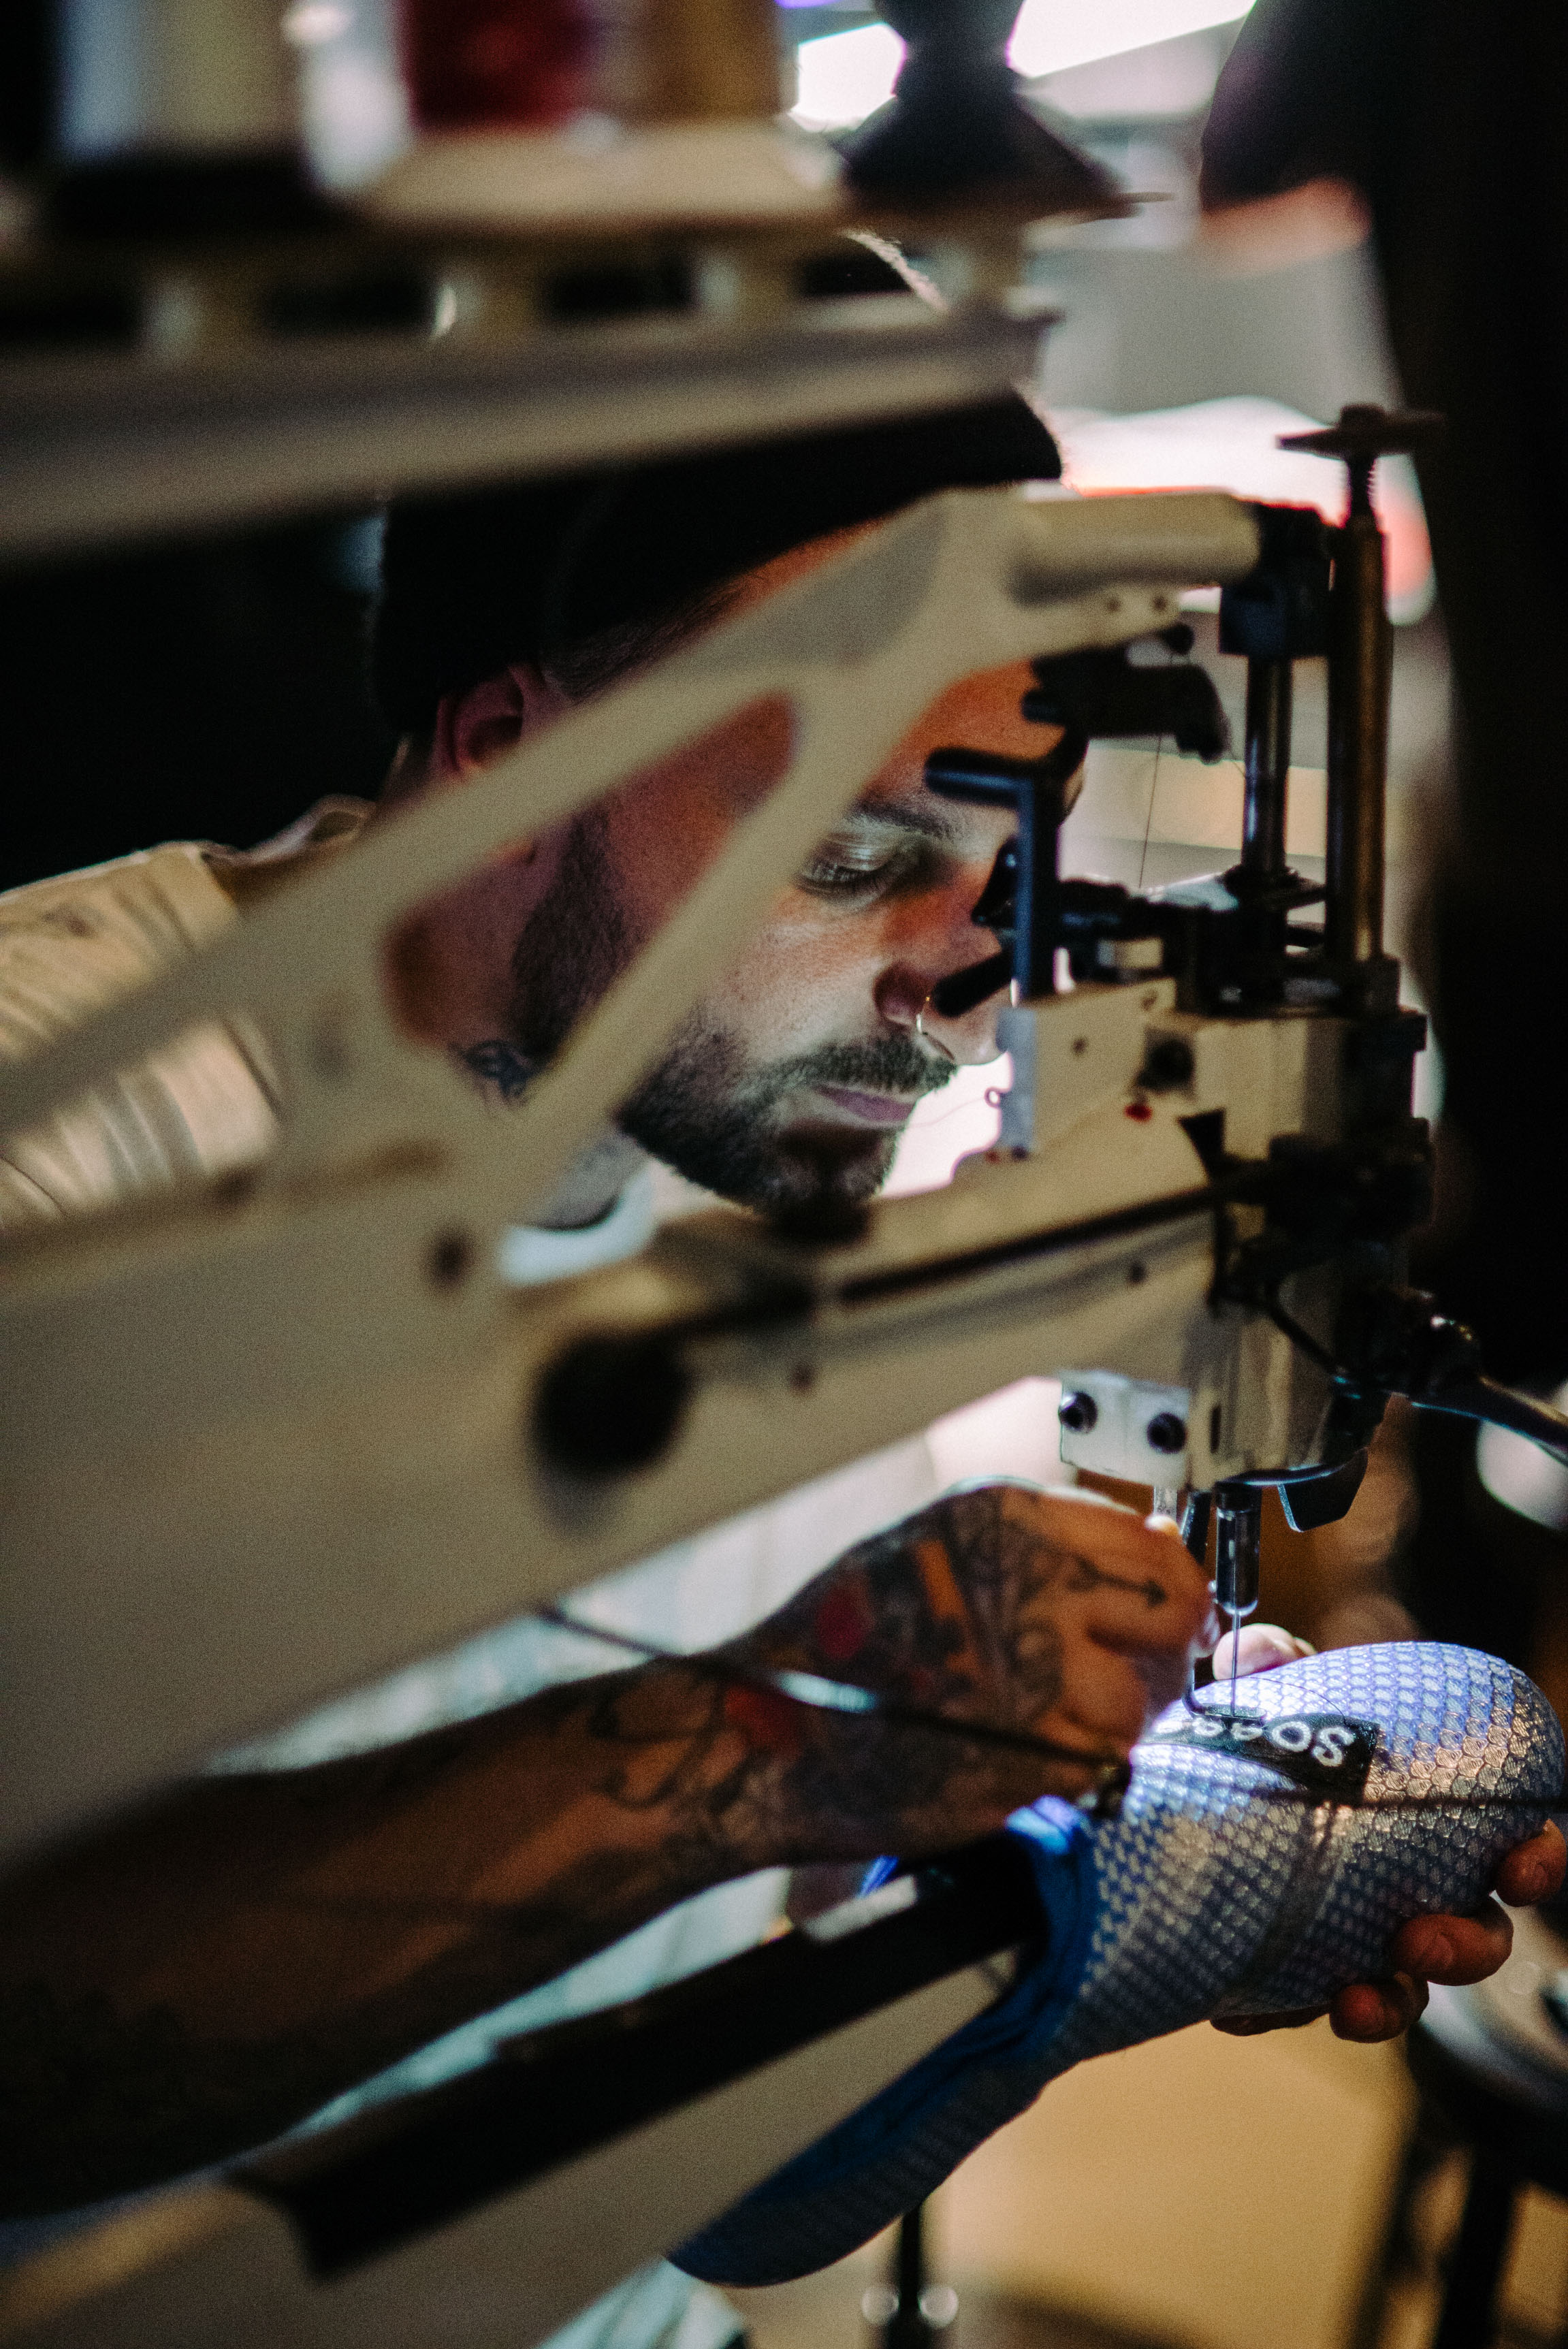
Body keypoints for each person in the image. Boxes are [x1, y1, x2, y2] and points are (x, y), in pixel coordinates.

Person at [0, 362, 1556, 2349]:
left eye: (1012, 857)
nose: (962, 973)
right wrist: (760, 1752)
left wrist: (1077, 1885)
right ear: (500, 760)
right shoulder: (64, 1140)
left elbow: (740, 2112)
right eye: (852, 858)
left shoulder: (829, 1150)